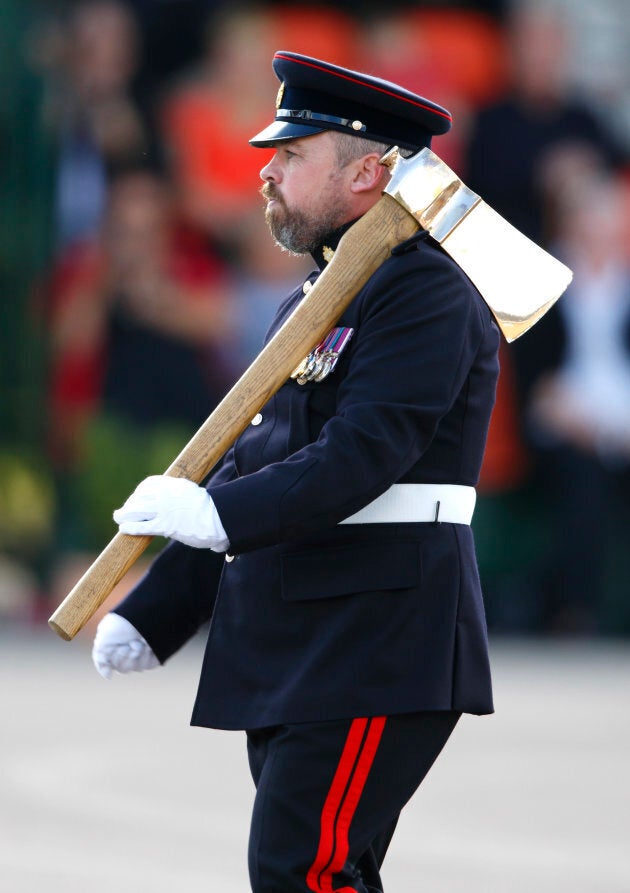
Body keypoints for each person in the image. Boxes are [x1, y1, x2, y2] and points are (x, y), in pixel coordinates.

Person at [91, 51, 500, 892]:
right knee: (321, 869)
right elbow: (262, 460)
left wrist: (218, 516)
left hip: (376, 630)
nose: (267, 172)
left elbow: (363, 454)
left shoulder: (426, 293)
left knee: (302, 870)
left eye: (292, 155)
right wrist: (159, 609)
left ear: (369, 173)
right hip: (304, 632)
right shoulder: (316, 302)